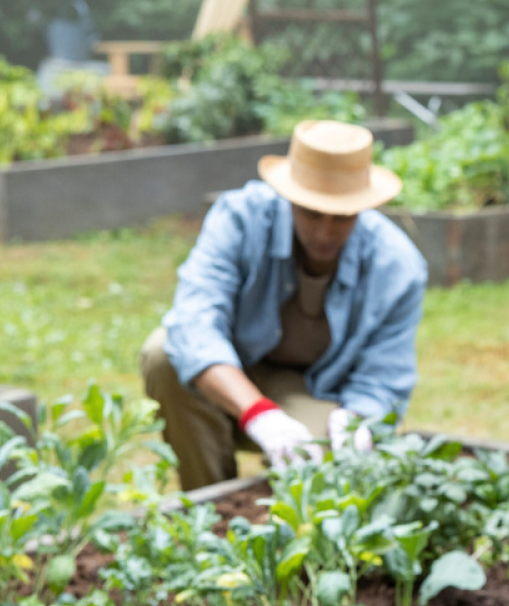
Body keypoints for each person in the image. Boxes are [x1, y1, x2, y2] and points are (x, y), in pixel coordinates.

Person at [139, 118, 428, 491]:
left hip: (318, 393)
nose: (325, 232)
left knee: (321, 473)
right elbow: (194, 325)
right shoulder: (240, 220)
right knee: (163, 353)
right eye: (311, 213)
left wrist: (357, 418)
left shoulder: (398, 266)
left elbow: (385, 378)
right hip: (234, 375)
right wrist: (259, 414)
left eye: (341, 217)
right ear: (289, 197)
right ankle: (207, 509)